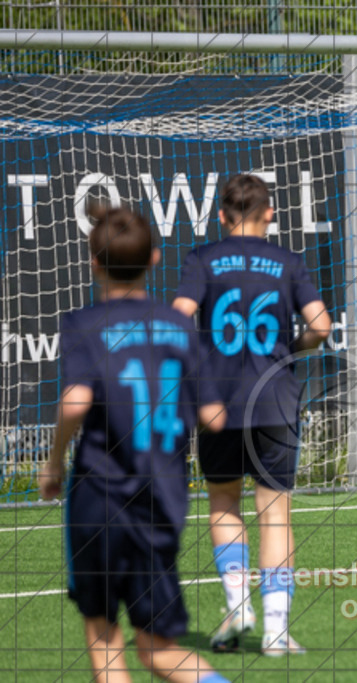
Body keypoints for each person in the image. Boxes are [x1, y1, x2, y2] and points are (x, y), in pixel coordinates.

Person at [39, 207, 231, 683]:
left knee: (106, 642)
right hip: (160, 500)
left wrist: (54, 463)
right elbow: (215, 416)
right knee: (159, 651)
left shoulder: (85, 323)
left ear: (93, 262)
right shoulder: (180, 326)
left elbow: (77, 399)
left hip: (99, 497)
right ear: (155, 258)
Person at [173, 174, 331, 656]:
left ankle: (238, 604)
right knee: (275, 513)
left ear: (221, 215)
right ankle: (277, 631)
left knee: (223, 502)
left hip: (217, 400)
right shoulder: (288, 261)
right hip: (276, 398)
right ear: (269, 214)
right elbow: (321, 325)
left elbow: (179, 316)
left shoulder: (203, 259)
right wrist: (292, 348)